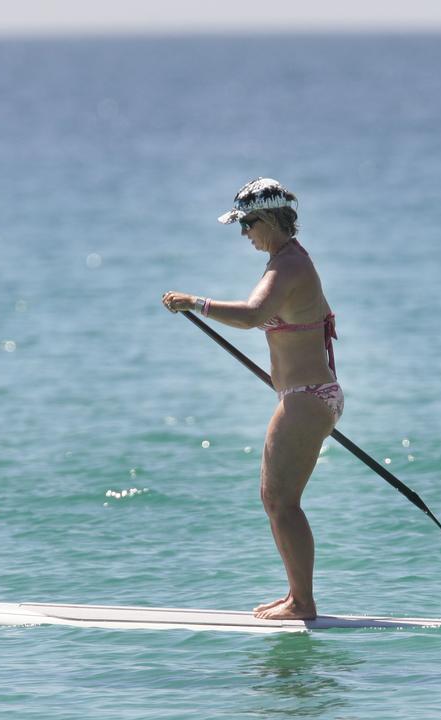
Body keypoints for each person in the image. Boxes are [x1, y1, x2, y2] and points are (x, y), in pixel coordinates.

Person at [162, 178, 342, 621]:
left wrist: (195, 303)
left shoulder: (290, 267)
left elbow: (253, 315)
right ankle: (296, 595)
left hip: (308, 397)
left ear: (270, 219)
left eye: (247, 224)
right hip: (304, 396)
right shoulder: (283, 261)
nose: (245, 234)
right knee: (274, 499)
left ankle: (303, 603)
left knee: (282, 501)